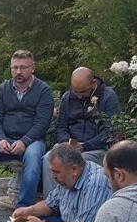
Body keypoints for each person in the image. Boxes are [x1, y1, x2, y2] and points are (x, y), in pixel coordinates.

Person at [0, 50, 54, 215]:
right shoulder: (2, 90)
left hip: (32, 140)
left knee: (33, 160)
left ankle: (23, 209)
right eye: (15, 67)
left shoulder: (44, 91)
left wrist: (25, 141)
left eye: (23, 67)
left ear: (33, 68)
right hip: (5, 138)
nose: (18, 71)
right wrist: (0, 139)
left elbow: (43, 122)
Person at [11, 143, 111, 222]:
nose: (52, 176)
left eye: (56, 172)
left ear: (74, 169)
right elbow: (50, 204)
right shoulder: (67, 177)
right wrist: (29, 211)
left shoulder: (95, 184)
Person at [42, 67, 120, 195]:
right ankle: (52, 201)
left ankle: (77, 201)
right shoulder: (67, 97)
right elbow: (61, 126)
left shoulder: (108, 96)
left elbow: (110, 131)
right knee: (48, 158)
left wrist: (85, 146)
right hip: (70, 144)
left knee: (79, 161)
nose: (78, 95)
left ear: (93, 83)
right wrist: (65, 142)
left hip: (96, 148)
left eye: (83, 91)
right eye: (75, 91)